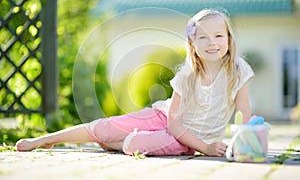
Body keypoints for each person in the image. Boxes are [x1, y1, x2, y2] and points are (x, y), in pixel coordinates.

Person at [16, 8, 254, 157]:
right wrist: (207, 149)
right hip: (167, 120)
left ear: (229, 38)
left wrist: (245, 141)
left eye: (218, 36)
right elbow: (172, 122)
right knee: (106, 126)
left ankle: (117, 144)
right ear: (193, 45)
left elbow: (244, 111)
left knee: (138, 143)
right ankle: (46, 140)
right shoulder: (187, 76)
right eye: (203, 37)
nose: (212, 43)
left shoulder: (238, 70)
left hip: (187, 141)